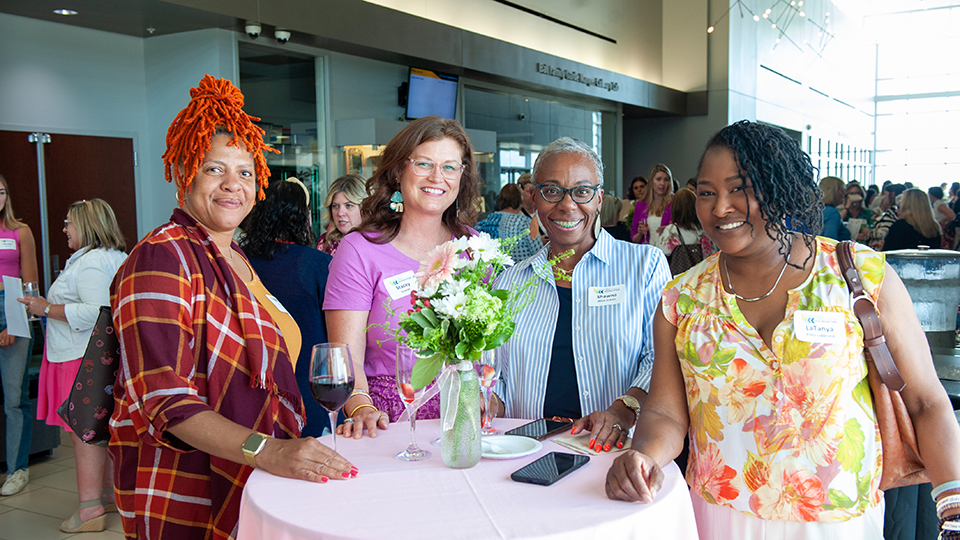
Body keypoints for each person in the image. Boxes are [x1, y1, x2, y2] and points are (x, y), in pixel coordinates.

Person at [604, 120, 960, 539]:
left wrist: (953, 513)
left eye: (740, 188)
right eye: (706, 192)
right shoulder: (681, 299)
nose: (720, 207)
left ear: (779, 186)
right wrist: (644, 455)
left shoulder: (858, 274)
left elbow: (925, 401)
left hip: (838, 520)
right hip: (722, 515)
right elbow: (665, 413)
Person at [107, 76, 354, 540]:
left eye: (244, 172)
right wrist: (268, 451)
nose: (232, 186)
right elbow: (164, 397)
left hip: (253, 472)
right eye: (213, 169)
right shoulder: (163, 255)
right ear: (184, 172)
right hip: (191, 483)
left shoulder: (233, 255)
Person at [490, 137, 670, 454]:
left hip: (615, 453)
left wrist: (623, 410)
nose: (568, 204)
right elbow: (497, 376)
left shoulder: (644, 268)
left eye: (582, 191)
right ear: (533, 198)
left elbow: (660, 358)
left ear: (599, 198)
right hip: (524, 450)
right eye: (552, 190)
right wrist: (483, 399)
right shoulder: (508, 283)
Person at [324, 116, 480, 437]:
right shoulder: (359, 250)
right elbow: (346, 356)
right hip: (386, 420)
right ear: (398, 171)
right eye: (423, 164)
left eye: (450, 167)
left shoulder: (473, 247)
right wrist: (362, 408)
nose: (438, 177)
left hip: (461, 416)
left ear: (462, 177)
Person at [20, 199, 126, 533]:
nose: (64, 229)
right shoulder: (116, 258)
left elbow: (98, 311)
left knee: (85, 434)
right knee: (100, 431)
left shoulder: (92, 263)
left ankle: (89, 508)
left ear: (87, 224)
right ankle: (107, 493)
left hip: (81, 358)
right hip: (95, 358)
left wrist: (45, 308)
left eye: (69, 223)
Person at [242, 179, 333, 439]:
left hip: (255, 380)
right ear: (303, 216)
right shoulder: (320, 264)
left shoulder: (239, 260)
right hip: (310, 383)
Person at [0, 174, 38, 497]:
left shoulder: (20, 231)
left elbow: (30, 287)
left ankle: (17, 469)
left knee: (14, 397)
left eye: (0, 191)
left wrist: (14, 323)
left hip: (12, 309)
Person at [473, 183, 541, 260]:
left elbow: (472, 235)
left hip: (494, 270)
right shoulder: (524, 222)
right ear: (520, 200)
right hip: (521, 270)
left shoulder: (489, 219)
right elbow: (539, 253)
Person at [654, 188, 715, 273]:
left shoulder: (671, 230)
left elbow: (660, 254)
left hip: (680, 279)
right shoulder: (705, 229)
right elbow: (713, 254)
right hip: (702, 276)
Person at [317, 173, 366, 256]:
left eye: (349, 205)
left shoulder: (379, 243)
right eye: (335, 206)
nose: (340, 213)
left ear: (365, 208)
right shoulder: (326, 242)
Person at [631, 164, 674, 245]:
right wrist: (640, 233)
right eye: (658, 179)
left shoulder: (674, 202)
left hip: (668, 252)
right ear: (651, 181)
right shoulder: (640, 204)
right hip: (647, 252)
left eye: (666, 180)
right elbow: (634, 239)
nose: (662, 183)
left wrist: (671, 230)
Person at [867, 183, 906, 250]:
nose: (884, 197)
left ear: (893, 194)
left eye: (885, 194)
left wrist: (869, 233)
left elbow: (883, 232)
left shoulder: (892, 213)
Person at [818, 176, 851, 241]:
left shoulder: (815, 210)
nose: (844, 194)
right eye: (842, 190)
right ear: (834, 192)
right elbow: (831, 240)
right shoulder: (833, 212)